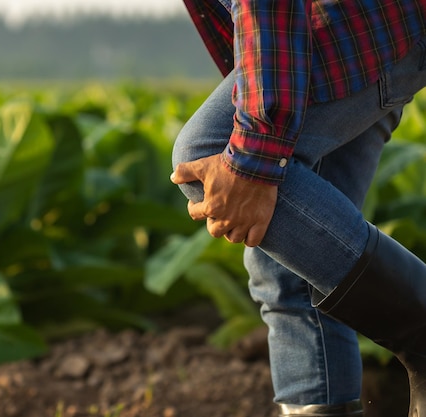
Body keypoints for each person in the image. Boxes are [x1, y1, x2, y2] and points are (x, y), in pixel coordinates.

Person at [170, 0, 426, 415]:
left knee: (213, 151)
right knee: (292, 263)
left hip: (363, 21)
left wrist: (255, 150)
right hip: (349, 26)